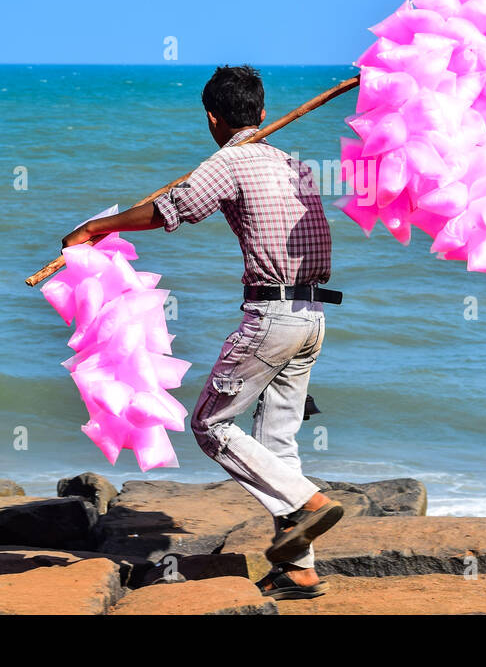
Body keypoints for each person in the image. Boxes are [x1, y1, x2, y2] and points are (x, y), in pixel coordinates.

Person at [60, 64, 345, 600]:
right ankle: (301, 571)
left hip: (272, 318)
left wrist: (97, 228)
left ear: (213, 119)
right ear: (261, 113)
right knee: (275, 445)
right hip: (312, 317)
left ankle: (311, 502)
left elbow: (175, 209)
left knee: (210, 426)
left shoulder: (229, 160)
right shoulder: (294, 165)